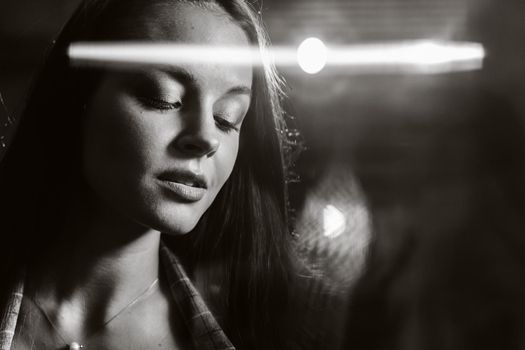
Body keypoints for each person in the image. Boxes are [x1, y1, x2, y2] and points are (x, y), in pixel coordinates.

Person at [0, 0, 336, 349]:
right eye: (164, 98)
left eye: (227, 118)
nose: (206, 138)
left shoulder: (261, 335)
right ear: (79, 98)